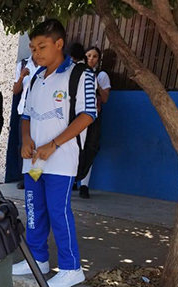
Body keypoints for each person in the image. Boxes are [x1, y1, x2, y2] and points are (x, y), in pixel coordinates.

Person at [14, 19, 96, 287]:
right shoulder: (36, 77)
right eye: (33, 48)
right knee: (34, 211)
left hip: (61, 160)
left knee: (59, 212)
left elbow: (88, 115)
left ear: (59, 44)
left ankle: (72, 267)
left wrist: (54, 144)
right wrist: (26, 139)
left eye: (42, 47)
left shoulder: (80, 74)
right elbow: (26, 115)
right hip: (34, 161)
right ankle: (37, 259)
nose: (36, 54)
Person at [79, 46, 111, 199]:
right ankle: (72, 179)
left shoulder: (101, 75)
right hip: (77, 116)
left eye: (95, 56)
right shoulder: (78, 73)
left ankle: (84, 184)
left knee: (90, 148)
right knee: (76, 148)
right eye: (88, 55)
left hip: (93, 117)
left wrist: (95, 83)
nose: (91, 59)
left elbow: (105, 98)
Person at [9, 50, 41, 188]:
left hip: (40, 112)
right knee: (24, 145)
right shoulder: (22, 64)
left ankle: (37, 176)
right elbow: (15, 90)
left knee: (38, 145)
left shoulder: (47, 65)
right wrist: (21, 77)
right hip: (24, 111)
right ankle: (26, 176)